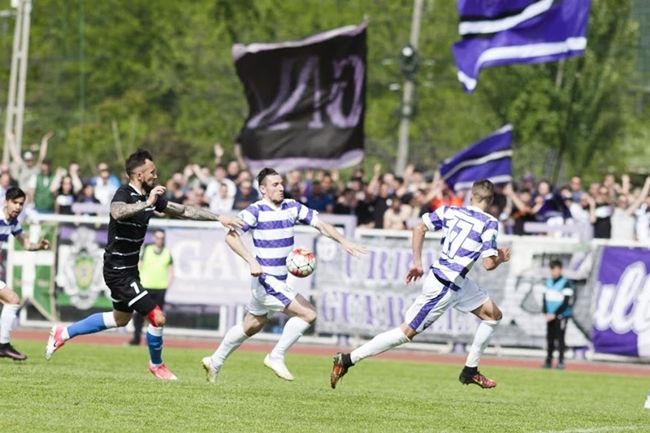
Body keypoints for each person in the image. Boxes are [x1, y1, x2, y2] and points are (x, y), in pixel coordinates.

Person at [45, 149, 243, 380]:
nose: (156, 176)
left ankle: (64, 332)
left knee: (120, 319)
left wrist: (218, 217)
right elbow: (117, 212)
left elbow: (184, 210)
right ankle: (157, 365)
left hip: (129, 269)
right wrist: (147, 203)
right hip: (117, 270)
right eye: (152, 172)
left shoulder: (150, 196)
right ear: (139, 175)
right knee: (157, 317)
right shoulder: (125, 193)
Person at [330, 179, 510, 390]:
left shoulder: (450, 211)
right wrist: (500, 258)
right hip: (444, 286)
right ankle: (347, 359)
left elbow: (419, 227)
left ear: (472, 196)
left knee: (493, 315)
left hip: (457, 281)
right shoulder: (489, 223)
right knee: (405, 333)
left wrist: (417, 263)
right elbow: (488, 264)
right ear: (491, 200)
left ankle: (470, 370)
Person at [201, 167, 366, 384]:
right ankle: (276, 356)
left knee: (251, 325)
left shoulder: (292, 206)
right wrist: (251, 260)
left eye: (281, 184)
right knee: (309, 313)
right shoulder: (255, 211)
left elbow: (321, 225)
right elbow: (231, 237)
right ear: (263, 189)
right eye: (275, 185)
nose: (281, 188)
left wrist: (343, 241)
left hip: (278, 280)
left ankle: (215, 361)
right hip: (266, 280)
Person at [0, 187, 50, 360]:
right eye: (14, 202)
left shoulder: (13, 223)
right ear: (6, 201)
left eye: (21, 204)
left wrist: (39, 246)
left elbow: (26, 244)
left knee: (11, 301)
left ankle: (3, 345)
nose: (18, 207)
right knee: (12, 300)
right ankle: (2, 345)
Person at [129, 229, 173, 346]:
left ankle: (152, 341)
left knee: (157, 317)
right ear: (154, 238)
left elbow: (171, 271)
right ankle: (136, 338)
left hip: (160, 289)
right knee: (139, 315)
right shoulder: (147, 250)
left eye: (162, 238)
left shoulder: (167, 252)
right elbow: (140, 266)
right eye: (158, 237)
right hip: (145, 287)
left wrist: (167, 285)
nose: (160, 240)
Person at [542, 260, 575, 370]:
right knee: (550, 339)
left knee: (560, 339)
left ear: (560, 270)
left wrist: (555, 314)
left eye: (556, 269)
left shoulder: (566, 283)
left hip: (561, 315)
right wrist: (546, 312)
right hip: (550, 316)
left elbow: (566, 302)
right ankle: (548, 361)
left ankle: (561, 361)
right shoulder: (548, 282)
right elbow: (544, 299)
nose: (554, 272)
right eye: (552, 269)